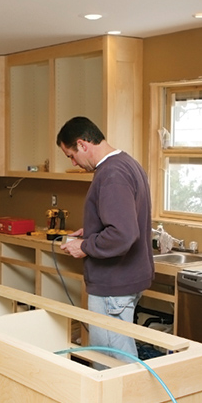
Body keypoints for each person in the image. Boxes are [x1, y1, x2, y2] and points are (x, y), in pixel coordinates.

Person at [57, 116, 153, 364]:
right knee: (115, 356)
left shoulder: (111, 174)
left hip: (113, 285)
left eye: (71, 155)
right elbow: (122, 220)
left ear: (83, 144)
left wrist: (86, 246)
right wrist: (89, 231)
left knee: (113, 362)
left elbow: (123, 233)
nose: (73, 162)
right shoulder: (126, 163)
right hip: (124, 279)